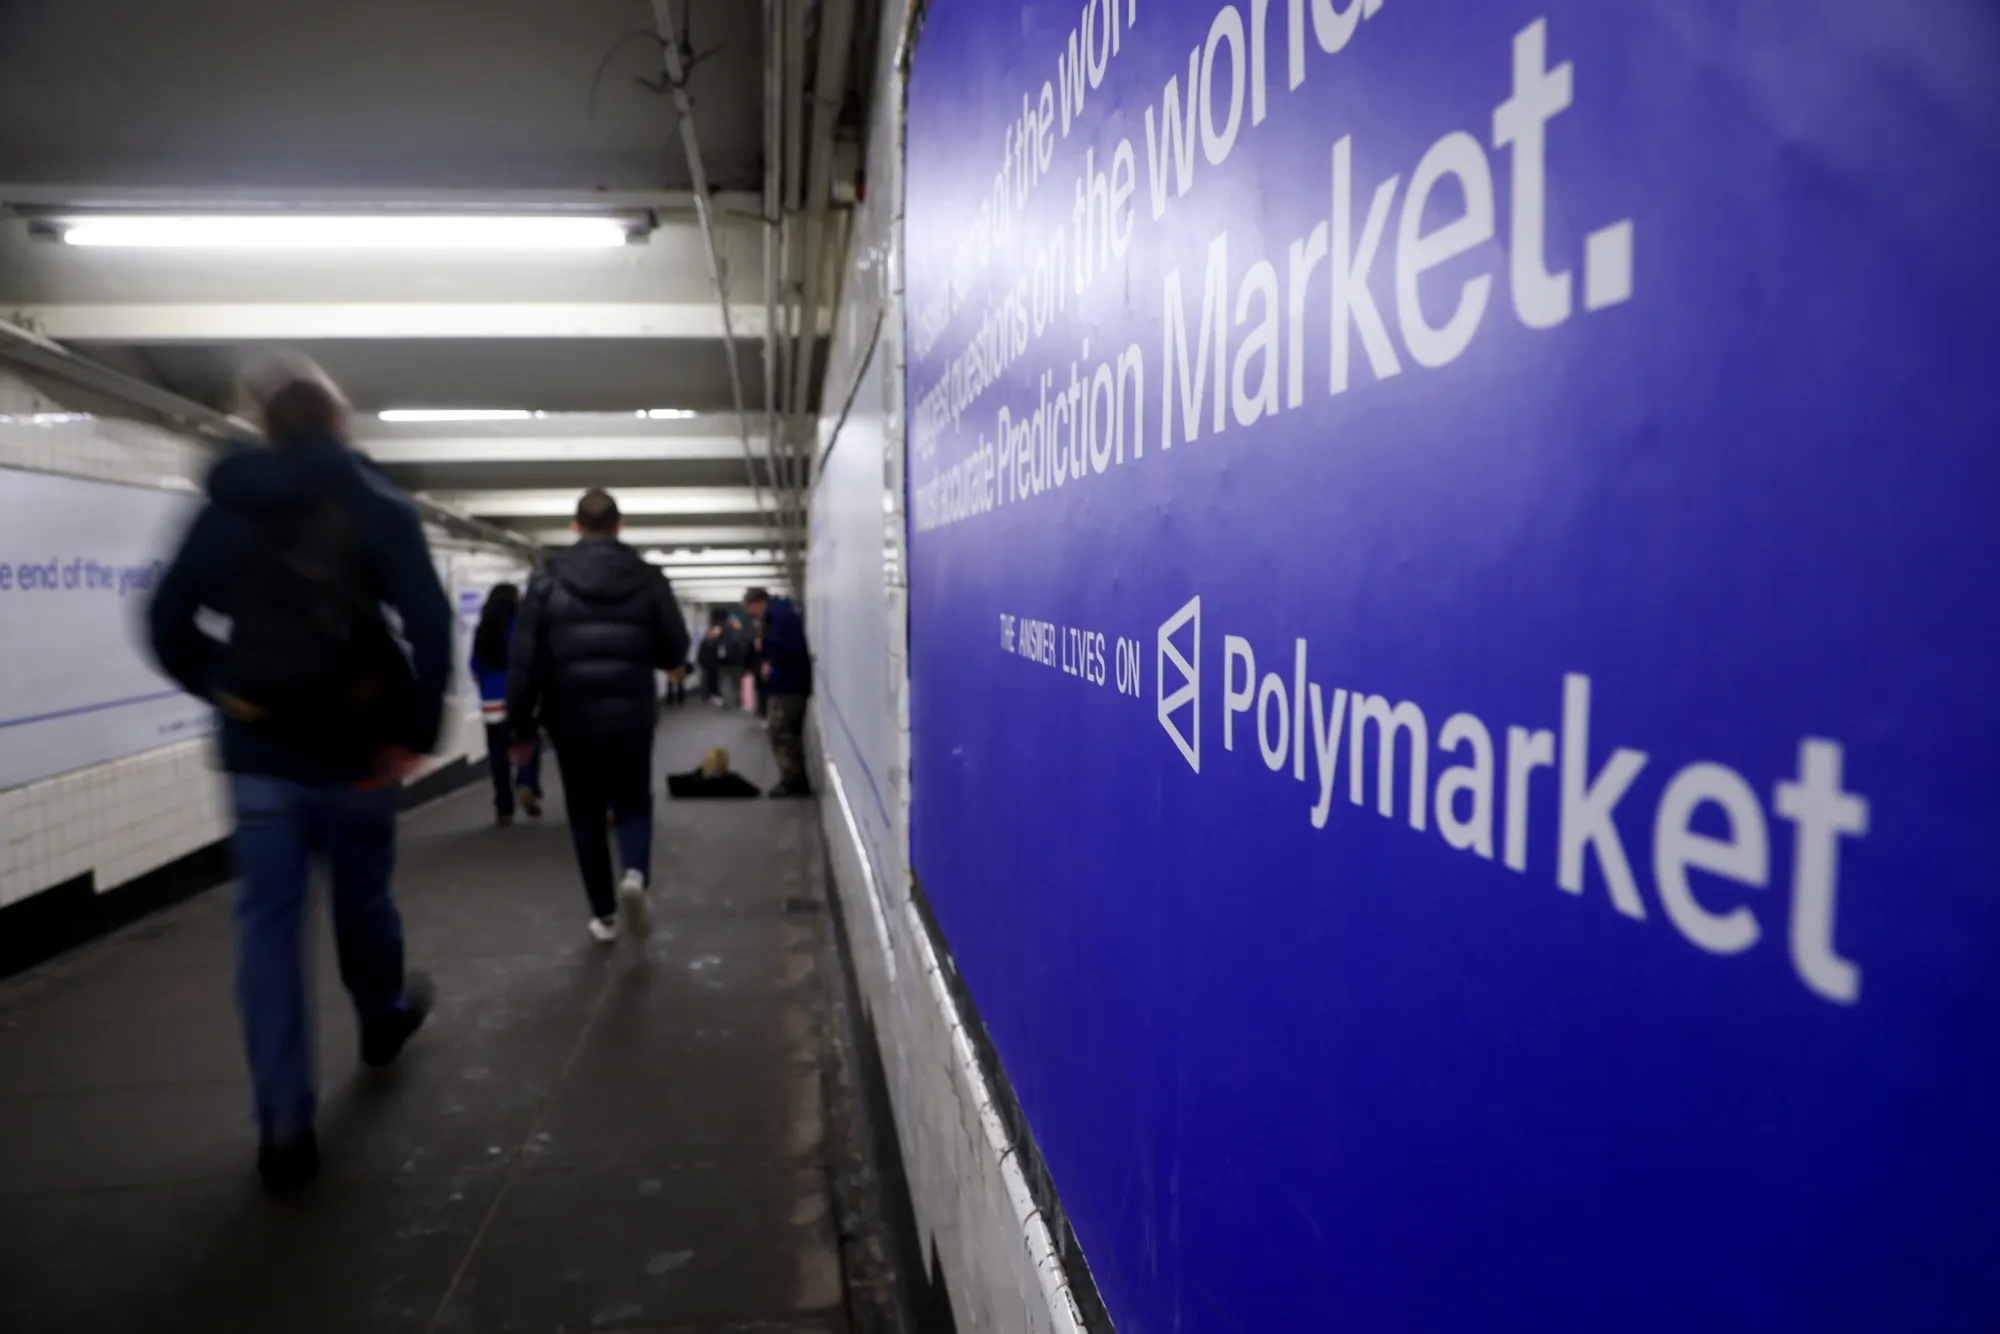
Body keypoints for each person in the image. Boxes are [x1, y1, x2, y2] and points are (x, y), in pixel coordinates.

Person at [147, 360, 450, 1192]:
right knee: (364, 901)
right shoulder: (377, 503)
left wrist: (227, 688)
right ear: (337, 424)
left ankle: (284, 1128)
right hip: (357, 756)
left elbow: (165, 621)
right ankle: (381, 1019)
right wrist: (412, 732)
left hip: (259, 763)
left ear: (266, 427)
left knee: (267, 936)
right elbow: (428, 623)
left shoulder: (227, 505)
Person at [508, 488, 690, 942]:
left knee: (585, 811)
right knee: (632, 801)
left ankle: (605, 916)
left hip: (570, 717)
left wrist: (520, 723)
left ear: (575, 527)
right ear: (619, 525)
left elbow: (525, 657)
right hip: (630, 712)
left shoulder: (547, 578)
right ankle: (634, 874)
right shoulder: (649, 577)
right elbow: (674, 649)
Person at [471, 583, 542, 826]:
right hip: (518, 696)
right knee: (527, 741)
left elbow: (475, 668)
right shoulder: (521, 627)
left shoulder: (482, 631)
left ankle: (504, 809)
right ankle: (525, 781)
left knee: (497, 755)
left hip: (491, 701)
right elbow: (530, 662)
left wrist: (487, 689)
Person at [743, 586, 812, 797]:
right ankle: (794, 778)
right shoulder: (782, 613)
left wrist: (764, 645)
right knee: (788, 732)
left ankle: (793, 780)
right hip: (791, 681)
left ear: (758, 602)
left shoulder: (779, 617)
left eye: (751, 610)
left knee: (779, 730)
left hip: (789, 684)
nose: (751, 616)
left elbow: (790, 646)